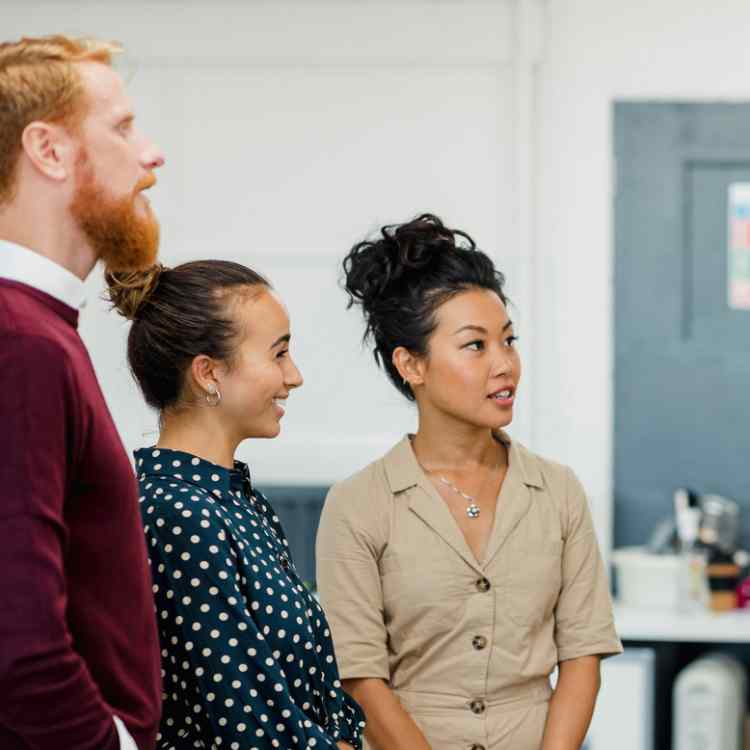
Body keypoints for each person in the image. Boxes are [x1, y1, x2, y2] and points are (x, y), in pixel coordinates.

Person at [315, 214, 623, 750]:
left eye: (509, 340)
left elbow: (581, 655)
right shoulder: (358, 504)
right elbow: (360, 676)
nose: (505, 364)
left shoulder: (558, 491)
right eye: (476, 346)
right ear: (411, 365)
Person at [106, 260, 366, 749]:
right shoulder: (180, 514)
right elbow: (246, 722)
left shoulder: (234, 502)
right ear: (208, 373)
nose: (295, 376)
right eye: (280, 353)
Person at [0, 35, 165, 750]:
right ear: (51, 151)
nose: (151, 155)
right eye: (123, 128)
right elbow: (18, 635)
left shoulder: (42, 330)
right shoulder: (20, 342)